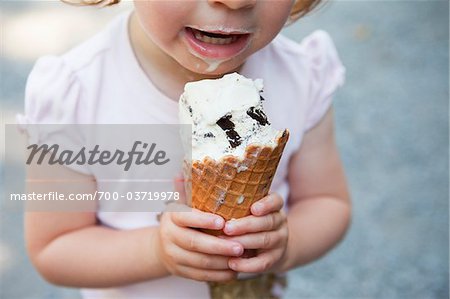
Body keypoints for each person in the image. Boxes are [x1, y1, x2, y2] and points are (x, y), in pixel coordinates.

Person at [20, 0, 351, 298]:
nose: (235, 2)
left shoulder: (300, 75)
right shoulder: (77, 95)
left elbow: (327, 202)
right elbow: (53, 247)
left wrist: (286, 245)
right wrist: (157, 251)